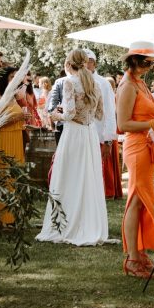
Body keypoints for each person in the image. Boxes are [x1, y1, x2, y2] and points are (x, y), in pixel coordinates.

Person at [116, 42, 154, 278]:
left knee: (141, 201)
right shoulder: (128, 86)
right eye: (147, 62)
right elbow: (123, 125)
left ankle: (139, 254)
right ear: (135, 60)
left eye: (152, 63)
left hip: (148, 144)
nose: (150, 67)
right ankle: (132, 259)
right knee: (136, 200)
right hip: (137, 146)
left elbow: (147, 114)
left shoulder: (141, 84)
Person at [37, 49, 108, 245]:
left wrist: (53, 114)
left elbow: (68, 115)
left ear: (69, 64)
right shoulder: (96, 83)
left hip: (73, 133)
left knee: (69, 176)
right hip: (89, 134)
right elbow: (101, 114)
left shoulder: (69, 82)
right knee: (87, 177)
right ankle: (88, 222)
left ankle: (65, 224)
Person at [0, 66, 26, 226]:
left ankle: (13, 216)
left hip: (15, 139)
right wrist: (17, 116)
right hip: (3, 141)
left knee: (14, 177)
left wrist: (22, 118)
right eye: (12, 76)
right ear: (4, 78)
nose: (15, 79)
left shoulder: (13, 96)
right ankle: (2, 218)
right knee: (4, 177)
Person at [84, 49, 122, 200]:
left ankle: (105, 192)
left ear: (95, 64)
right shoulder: (75, 80)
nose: (86, 65)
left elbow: (110, 111)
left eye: (90, 61)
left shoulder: (103, 83)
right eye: (83, 62)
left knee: (101, 165)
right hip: (82, 131)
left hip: (99, 132)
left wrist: (108, 138)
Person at [46, 70, 67, 144]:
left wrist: (55, 119)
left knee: (60, 149)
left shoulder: (59, 82)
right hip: (76, 123)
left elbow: (53, 104)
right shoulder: (81, 80)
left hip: (61, 122)